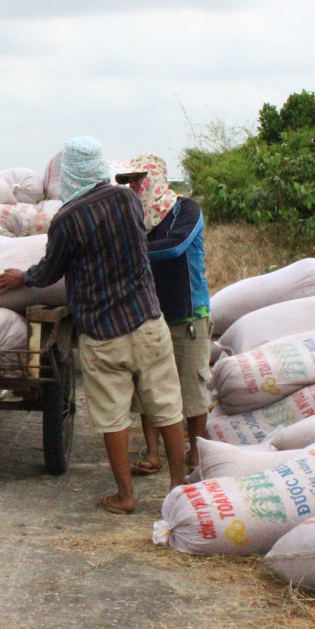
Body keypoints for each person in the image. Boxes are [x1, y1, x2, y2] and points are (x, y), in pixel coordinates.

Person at [0, 137, 189, 515]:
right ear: (100, 167)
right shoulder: (128, 199)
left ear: (68, 174)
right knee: (166, 406)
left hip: (102, 331)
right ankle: (179, 487)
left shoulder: (66, 219)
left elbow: (50, 271)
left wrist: (22, 278)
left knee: (112, 416)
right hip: (147, 321)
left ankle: (125, 497)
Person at [113, 157, 211, 477]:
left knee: (191, 388)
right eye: (128, 182)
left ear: (154, 177)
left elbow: (174, 247)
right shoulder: (133, 217)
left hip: (188, 313)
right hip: (150, 312)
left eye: (137, 179)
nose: (132, 187)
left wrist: (128, 249)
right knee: (149, 386)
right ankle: (153, 454)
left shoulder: (186, 210)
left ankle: (195, 451)